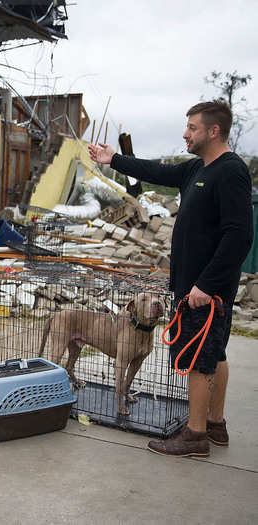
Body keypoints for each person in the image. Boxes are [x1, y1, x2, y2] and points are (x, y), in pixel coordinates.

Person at [88, 99, 253, 458]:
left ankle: (195, 436)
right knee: (215, 353)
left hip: (204, 293)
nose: (185, 133)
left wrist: (205, 286)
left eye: (192, 127)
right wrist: (113, 160)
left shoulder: (231, 172)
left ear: (213, 131)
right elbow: (157, 170)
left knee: (197, 359)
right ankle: (214, 423)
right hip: (195, 288)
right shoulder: (196, 168)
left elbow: (239, 235)